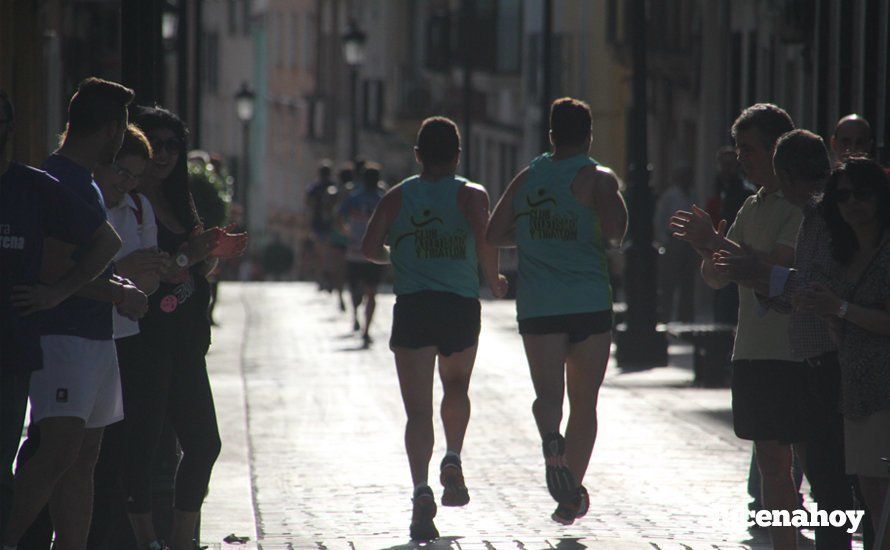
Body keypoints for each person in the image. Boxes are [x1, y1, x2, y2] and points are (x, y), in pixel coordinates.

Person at [3, 78, 150, 549]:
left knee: (84, 459)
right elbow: (50, 264)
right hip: (62, 338)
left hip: (94, 339)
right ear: (110, 129)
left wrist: (117, 288)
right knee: (56, 455)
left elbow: (95, 258)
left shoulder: (84, 180)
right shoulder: (58, 179)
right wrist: (115, 295)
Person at [670, 104, 813, 550]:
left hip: (795, 350)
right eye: (737, 148)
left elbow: (777, 271)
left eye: (748, 149)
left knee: (812, 462)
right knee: (771, 462)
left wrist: (716, 244)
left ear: (777, 149)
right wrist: (704, 247)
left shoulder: (801, 208)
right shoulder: (752, 205)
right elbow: (718, 275)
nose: (740, 157)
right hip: (751, 349)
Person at [362, 117, 507, 541]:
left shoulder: (396, 196)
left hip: (413, 307)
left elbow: (369, 248)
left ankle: (421, 490)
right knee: (457, 386)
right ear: (458, 154)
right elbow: (486, 241)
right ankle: (453, 457)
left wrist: (400, 256)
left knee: (417, 411)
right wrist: (494, 279)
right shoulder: (472, 195)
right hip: (459, 306)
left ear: (418, 155)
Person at [487, 98, 627, 525]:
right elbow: (618, 234)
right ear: (589, 135)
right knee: (585, 404)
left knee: (548, 397)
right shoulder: (597, 178)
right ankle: (571, 495)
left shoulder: (527, 177)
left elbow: (494, 233)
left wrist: (531, 234)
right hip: (588, 303)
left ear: (550, 136)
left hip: (540, 307)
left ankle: (552, 439)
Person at [130, 105, 247, 550]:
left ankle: (181, 539)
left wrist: (211, 251)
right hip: (145, 341)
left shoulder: (180, 200)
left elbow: (192, 270)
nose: (162, 153)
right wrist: (189, 257)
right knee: (142, 447)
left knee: (204, 443)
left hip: (185, 341)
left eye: (171, 145)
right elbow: (151, 271)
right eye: (153, 143)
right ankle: (145, 539)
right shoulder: (130, 202)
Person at [791, 158, 889, 548]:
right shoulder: (843, 252)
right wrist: (826, 310)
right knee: (869, 491)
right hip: (857, 387)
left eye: (862, 194)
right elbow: (842, 322)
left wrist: (841, 309)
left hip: (886, 385)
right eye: (843, 195)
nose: (853, 203)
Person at [87, 124, 172, 549]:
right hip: (89, 336)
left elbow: (152, 281)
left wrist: (134, 270)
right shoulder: (87, 203)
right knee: (89, 454)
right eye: (121, 171)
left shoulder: (139, 208)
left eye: (135, 176)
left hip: (129, 335)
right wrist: (129, 267)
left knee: (131, 449)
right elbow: (86, 272)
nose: (127, 183)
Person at [338, 162, 386, 347]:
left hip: (354, 252)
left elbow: (339, 217)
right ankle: (366, 329)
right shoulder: (383, 200)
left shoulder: (353, 198)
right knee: (372, 293)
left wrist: (347, 232)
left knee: (355, 289)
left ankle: (357, 316)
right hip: (375, 253)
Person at [654, 164, 696, 322]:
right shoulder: (669, 196)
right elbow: (660, 220)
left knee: (687, 282)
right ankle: (665, 316)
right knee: (668, 282)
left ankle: (686, 317)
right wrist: (664, 242)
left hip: (689, 242)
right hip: (673, 241)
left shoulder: (692, 195)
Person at [305, 161, 336, 291]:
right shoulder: (334, 187)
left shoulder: (314, 187)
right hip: (331, 224)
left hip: (318, 223)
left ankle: (321, 279)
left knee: (319, 253)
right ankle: (327, 276)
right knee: (329, 252)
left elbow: (308, 204)